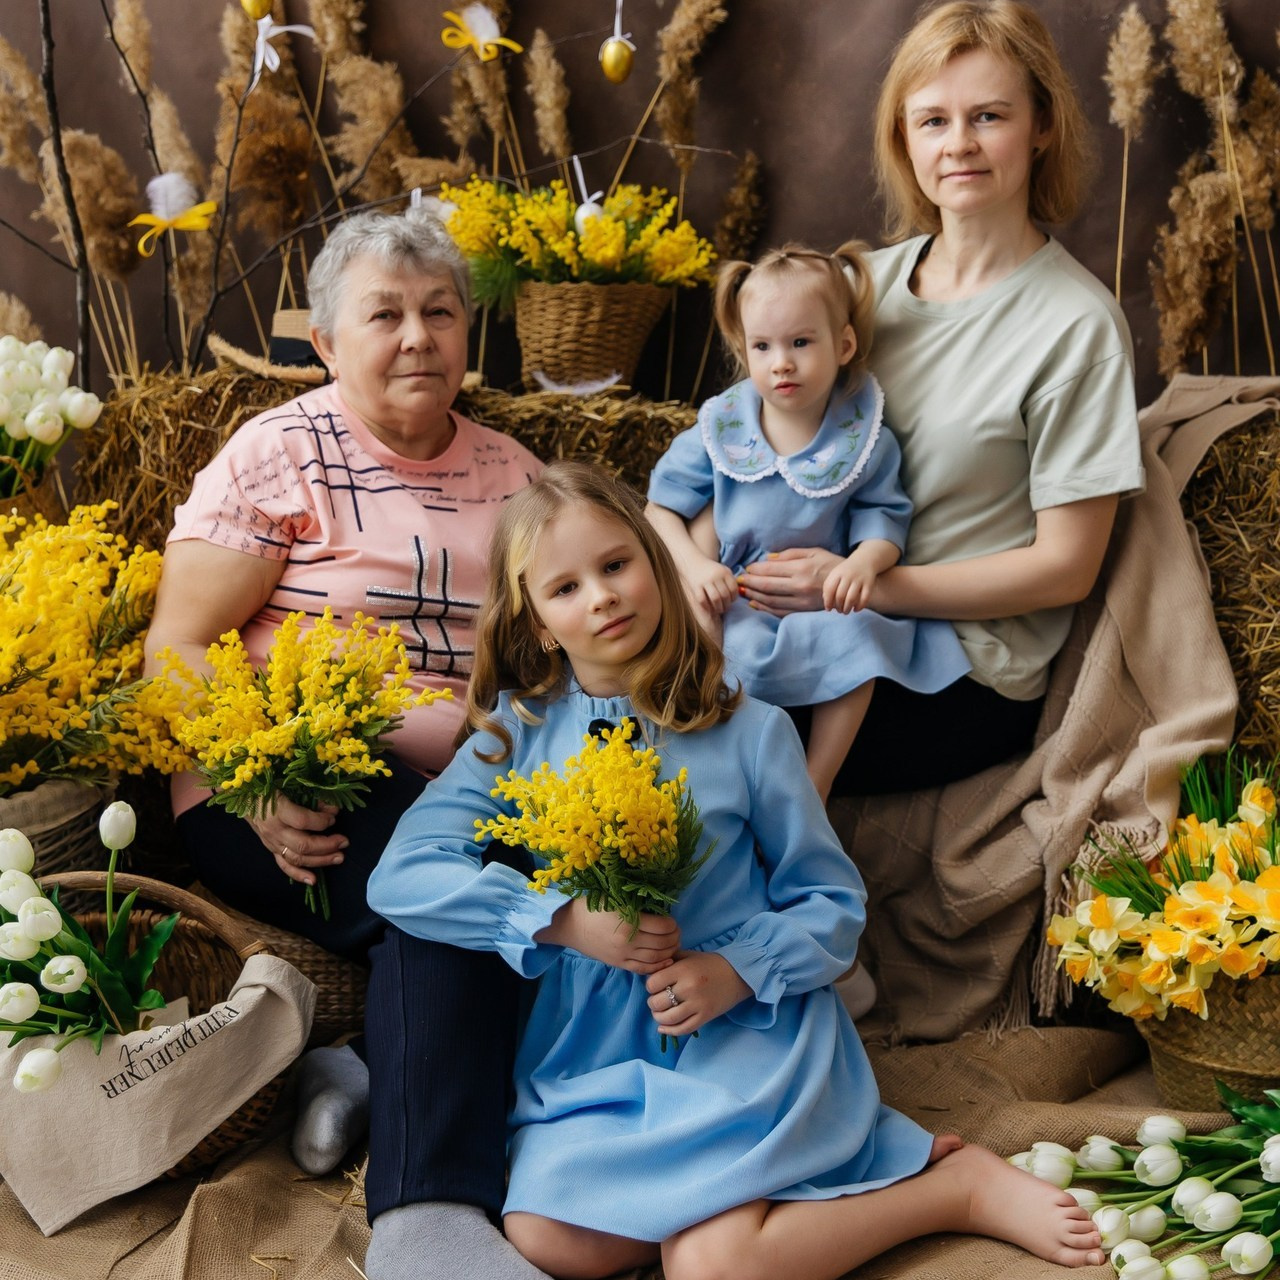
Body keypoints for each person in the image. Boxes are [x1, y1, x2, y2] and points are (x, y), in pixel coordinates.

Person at [367, 460, 1106, 1279]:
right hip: (597, 1054)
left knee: (714, 1269)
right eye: (566, 588)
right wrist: (561, 920)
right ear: (538, 623)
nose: (604, 597)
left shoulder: (748, 730)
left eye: (616, 565)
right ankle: (748, 1206)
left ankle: (951, 1190)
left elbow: (831, 903)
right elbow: (401, 874)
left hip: (743, 1033)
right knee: (550, 1242)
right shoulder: (517, 737)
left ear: (655, 563)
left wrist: (735, 970)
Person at [143, 208, 549, 1280]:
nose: (417, 336)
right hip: (293, 789)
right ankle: (429, 1220)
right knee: (449, 889)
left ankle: (364, 1067)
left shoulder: (515, 474)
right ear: (325, 342)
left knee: (548, 895)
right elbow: (176, 651)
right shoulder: (281, 456)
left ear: (469, 332)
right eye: (384, 315)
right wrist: (259, 776)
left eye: (439, 312)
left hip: (474, 779)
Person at [735, 0, 1144, 798]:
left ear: (1042, 127)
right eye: (932, 121)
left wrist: (859, 584)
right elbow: (756, 437)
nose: (957, 144)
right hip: (823, 615)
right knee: (633, 682)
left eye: (988, 116)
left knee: (734, 739)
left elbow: (1066, 568)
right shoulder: (859, 290)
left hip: (964, 668)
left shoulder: (1077, 326)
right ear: (903, 138)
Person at [645, 241, 970, 803]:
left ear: (843, 344)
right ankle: (712, 762)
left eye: (801, 342)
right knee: (714, 651)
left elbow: (883, 516)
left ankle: (817, 782)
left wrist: (864, 562)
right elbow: (660, 509)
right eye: (763, 346)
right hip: (739, 595)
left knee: (859, 639)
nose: (782, 362)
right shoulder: (723, 426)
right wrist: (697, 567)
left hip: (823, 597)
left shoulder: (862, 438)